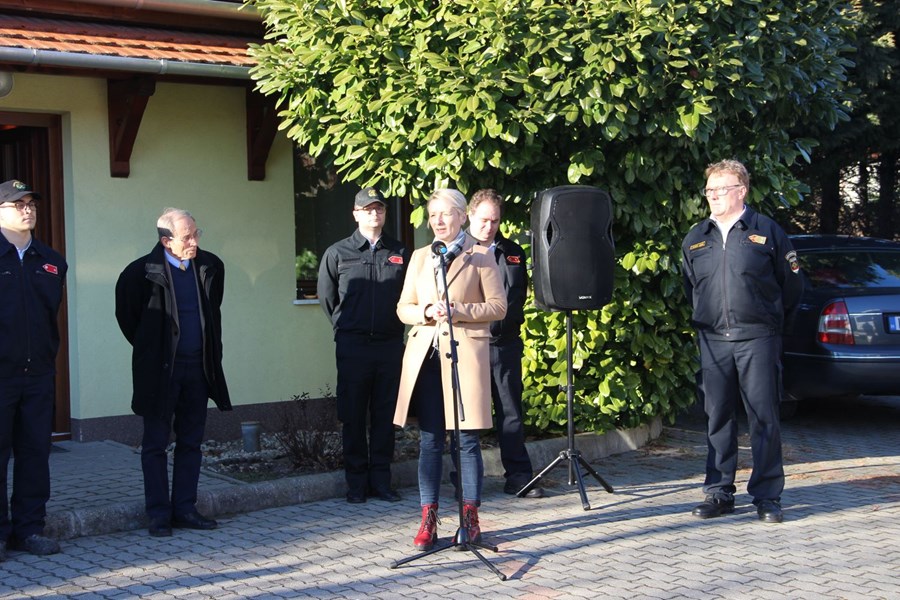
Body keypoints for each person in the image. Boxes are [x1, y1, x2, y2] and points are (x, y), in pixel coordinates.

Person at [681, 159, 803, 524]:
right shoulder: (696, 237)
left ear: (742, 191)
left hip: (757, 339)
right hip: (713, 340)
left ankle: (767, 496)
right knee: (717, 417)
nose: (714, 195)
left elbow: (792, 287)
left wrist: (771, 326)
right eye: (710, 190)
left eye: (722, 188)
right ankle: (719, 492)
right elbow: (691, 287)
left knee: (763, 418)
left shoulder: (767, 232)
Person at [393, 188, 507, 550]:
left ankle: (470, 518)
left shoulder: (481, 256)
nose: (438, 221)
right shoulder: (420, 256)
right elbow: (403, 308)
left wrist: (459, 310)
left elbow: (498, 307)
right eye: (432, 215)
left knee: (467, 441)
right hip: (427, 357)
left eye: (445, 214)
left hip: (464, 357)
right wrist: (426, 311)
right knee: (430, 441)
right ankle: (428, 518)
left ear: (461, 216)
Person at [115, 208, 231, 537]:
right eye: (187, 237)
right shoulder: (140, 273)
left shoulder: (210, 266)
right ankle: (158, 514)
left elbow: (212, 310)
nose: (194, 242)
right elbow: (129, 320)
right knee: (155, 444)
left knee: (191, 442)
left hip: (198, 368)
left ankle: (185, 509)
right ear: (166, 241)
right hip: (160, 372)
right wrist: (155, 351)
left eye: (196, 233)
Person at [317, 187, 409, 504]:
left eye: (379, 209)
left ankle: (381, 481)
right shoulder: (337, 253)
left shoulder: (399, 252)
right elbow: (327, 298)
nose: (374, 214)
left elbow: (409, 294)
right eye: (367, 209)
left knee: (384, 416)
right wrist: (346, 326)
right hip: (353, 346)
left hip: (389, 345)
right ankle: (356, 483)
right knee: (353, 416)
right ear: (356, 214)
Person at [0, 180, 67, 560]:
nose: (27, 209)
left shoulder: (51, 260)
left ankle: (29, 529)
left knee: (35, 453)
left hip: (39, 374)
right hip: (1, 375)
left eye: (31, 204)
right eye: (17, 204)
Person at [466, 189, 542, 499]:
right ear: (470, 215)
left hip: (505, 344)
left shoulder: (512, 252)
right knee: (468, 416)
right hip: (470, 344)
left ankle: (519, 477)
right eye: (484, 220)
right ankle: (467, 483)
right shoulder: (457, 250)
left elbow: (518, 295)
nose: (489, 227)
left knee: (510, 412)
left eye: (495, 221)